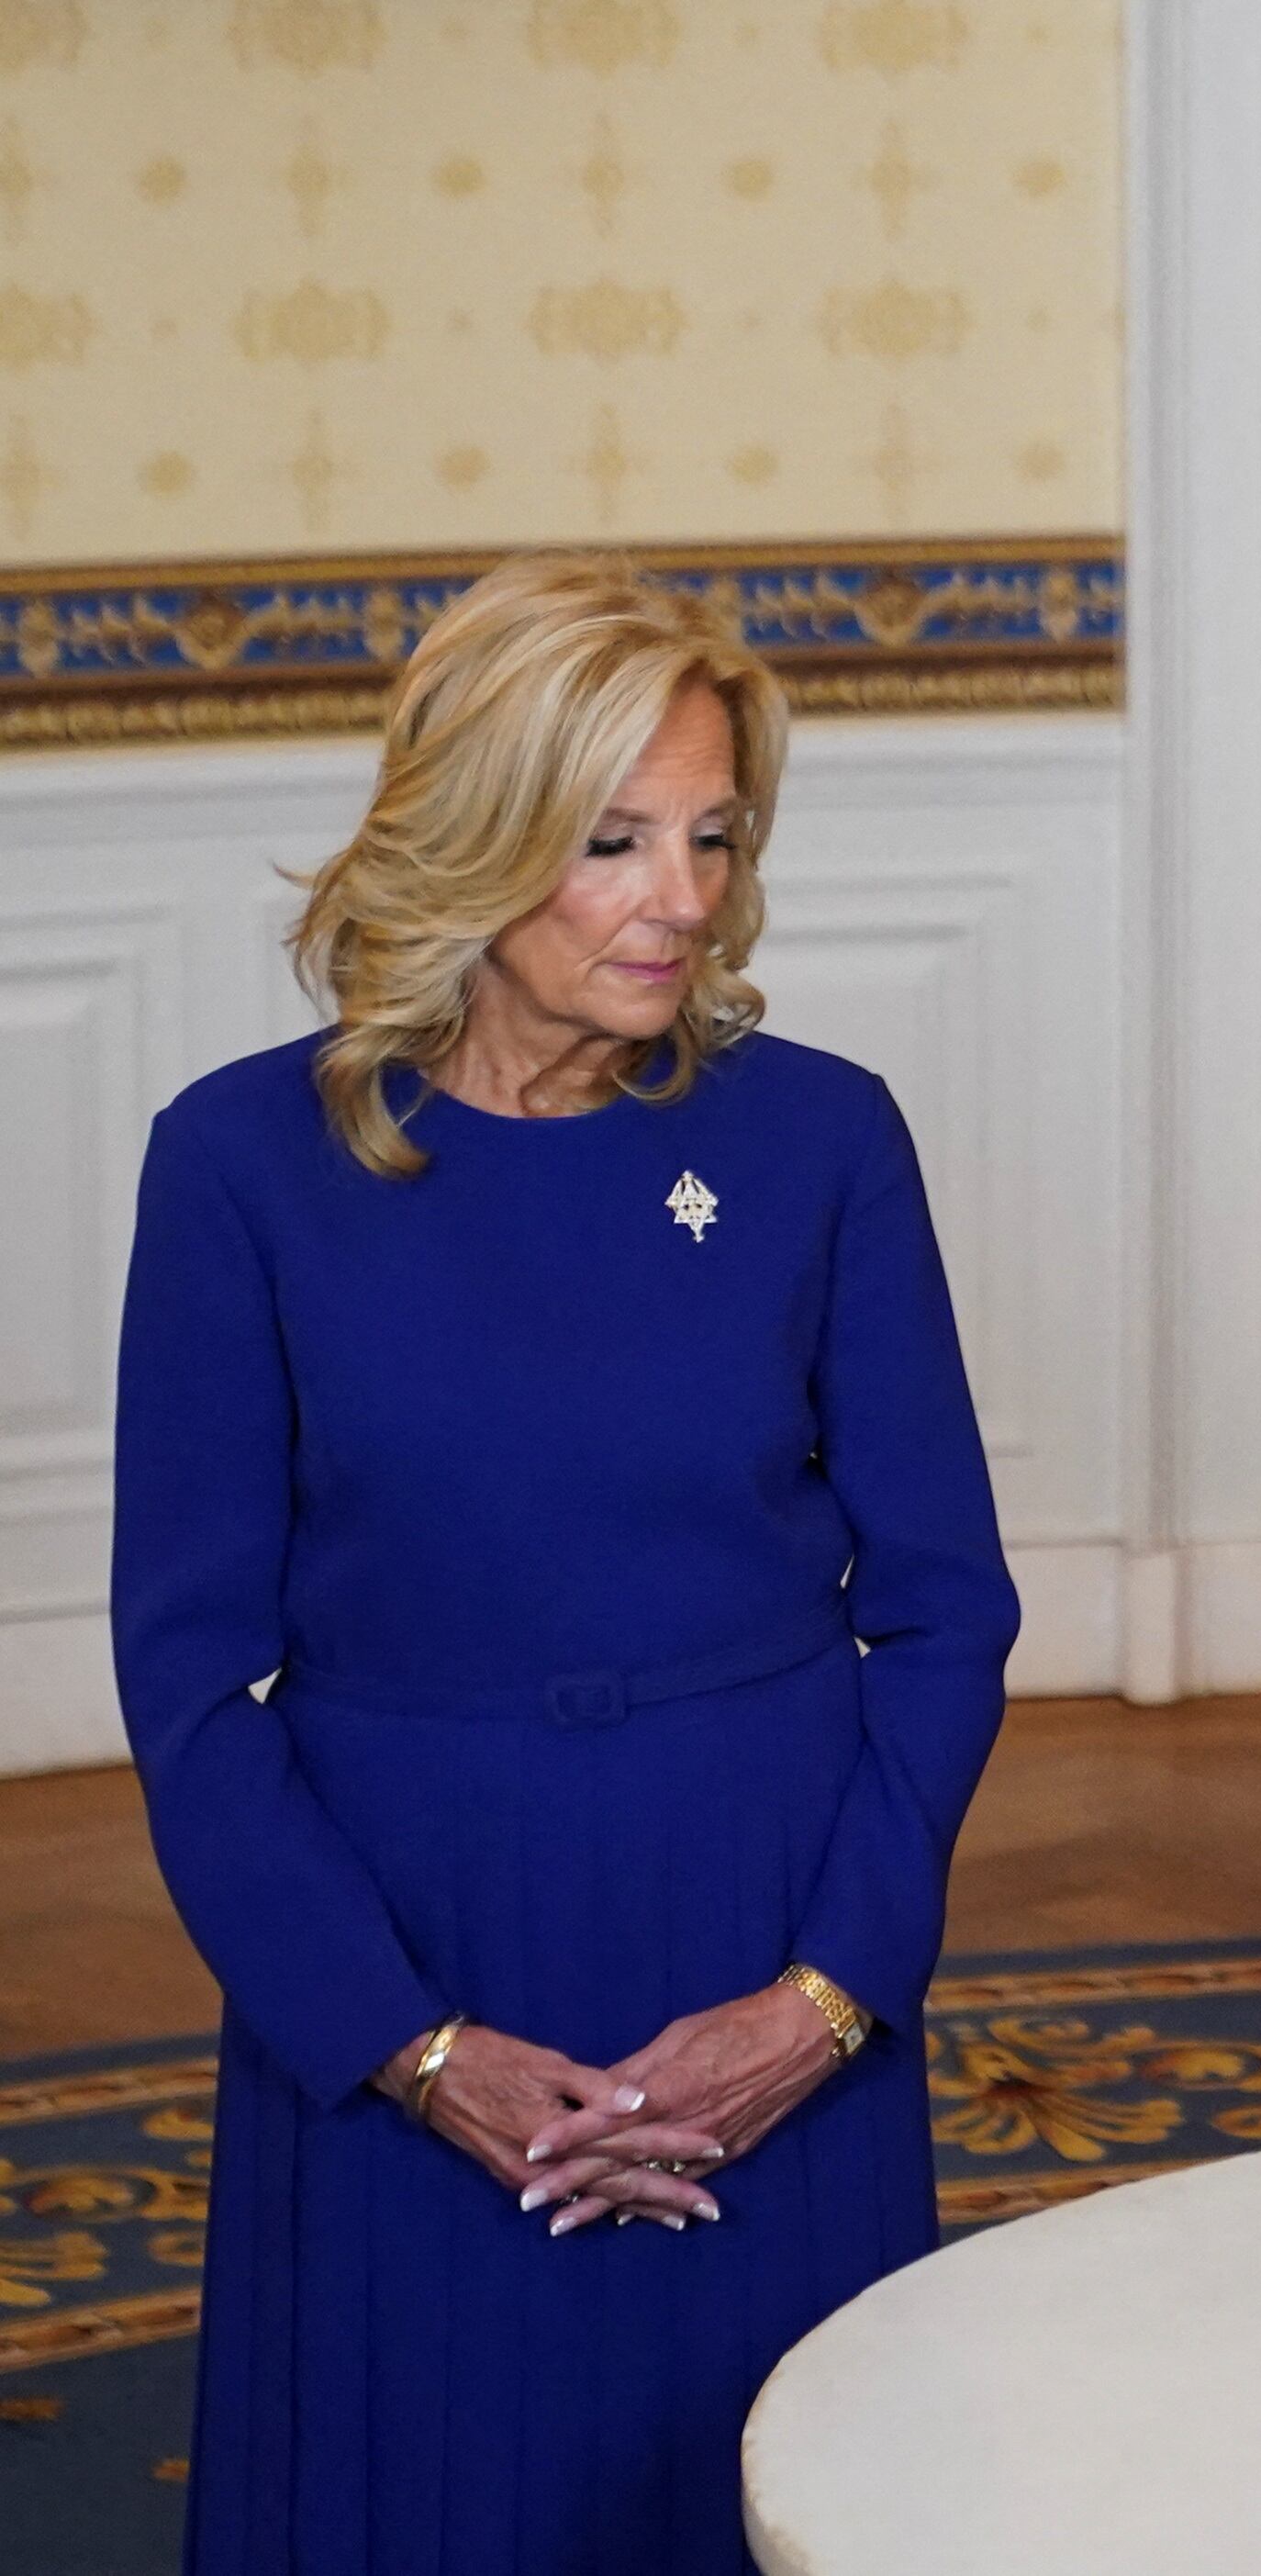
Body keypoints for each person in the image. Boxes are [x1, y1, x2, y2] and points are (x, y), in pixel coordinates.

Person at [113, 555, 1020, 2576]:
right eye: (612, 840)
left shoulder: (819, 1139)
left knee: (783, 2480)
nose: (681, 897)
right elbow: (186, 1682)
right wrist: (403, 2044)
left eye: (711, 837)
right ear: (475, 833)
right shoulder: (244, 1163)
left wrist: (827, 1995)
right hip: (408, 1936)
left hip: (766, 1916)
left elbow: (947, 1604)